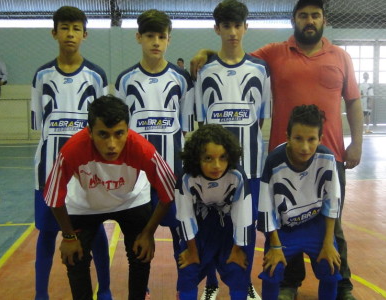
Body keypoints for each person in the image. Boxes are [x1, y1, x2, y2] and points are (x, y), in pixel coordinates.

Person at [191, 0, 362, 298]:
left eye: (315, 15)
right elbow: (234, 57)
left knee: (331, 223)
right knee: (286, 219)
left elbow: (354, 101)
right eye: (303, 15)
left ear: (323, 19)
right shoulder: (273, 53)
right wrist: (205, 53)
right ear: (294, 20)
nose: (310, 20)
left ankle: (342, 283)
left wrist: (357, 142)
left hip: (329, 156)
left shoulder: (341, 57)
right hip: (282, 159)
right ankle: (289, 282)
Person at [43, 95, 175, 300]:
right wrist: (68, 236)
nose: (112, 144)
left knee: (141, 253)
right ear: (90, 132)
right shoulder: (72, 150)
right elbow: (53, 196)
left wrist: (148, 232)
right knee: (74, 258)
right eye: (103, 135)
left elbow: (168, 192)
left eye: (119, 134)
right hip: (86, 203)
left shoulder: (142, 148)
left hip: (130, 199)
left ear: (128, 130)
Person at [30, 6, 111, 300]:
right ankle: (41, 294)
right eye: (64, 28)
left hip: (86, 172)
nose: (70, 34)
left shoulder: (96, 76)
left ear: (85, 34)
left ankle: (106, 289)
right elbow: (38, 125)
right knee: (47, 234)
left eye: (76, 29)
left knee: (96, 233)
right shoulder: (41, 76)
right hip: (48, 170)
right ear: (54, 33)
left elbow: (103, 127)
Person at [113, 9, 194, 298]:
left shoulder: (182, 79)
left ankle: (184, 289)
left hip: (173, 174)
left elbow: (186, 130)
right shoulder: (125, 81)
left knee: (179, 235)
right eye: (150, 36)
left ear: (169, 40)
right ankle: (140, 285)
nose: (156, 42)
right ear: (139, 38)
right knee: (138, 237)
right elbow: (119, 134)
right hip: (137, 178)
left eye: (161, 36)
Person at [194, 0, 271, 298]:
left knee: (246, 228)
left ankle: (245, 281)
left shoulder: (260, 69)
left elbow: (260, 117)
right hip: (214, 168)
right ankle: (212, 284)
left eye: (238, 25)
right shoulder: (205, 70)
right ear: (217, 29)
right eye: (226, 26)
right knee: (213, 226)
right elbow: (202, 122)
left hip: (249, 167)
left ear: (246, 27)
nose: (233, 32)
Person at [257, 104, 342, 300]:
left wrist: (328, 243)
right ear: (287, 137)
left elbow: (332, 202)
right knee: (272, 269)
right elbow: (266, 207)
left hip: (315, 225)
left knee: (330, 265)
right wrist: (275, 246)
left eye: (311, 139)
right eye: (298, 139)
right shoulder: (274, 161)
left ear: (320, 139)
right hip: (286, 228)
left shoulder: (327, 158)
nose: (305, 147)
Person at [175, 124, 253, 300]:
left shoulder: (237, 176)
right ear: (196, 158)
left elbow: (243, 214)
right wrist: (192, 251)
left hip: (228, 228)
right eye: (208, 158)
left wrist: (237, 249)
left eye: (223, 157)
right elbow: (185, 216)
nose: (217, 165)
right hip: (199, 228)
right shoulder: (187, 177)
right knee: (188, 270)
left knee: (237, 270)